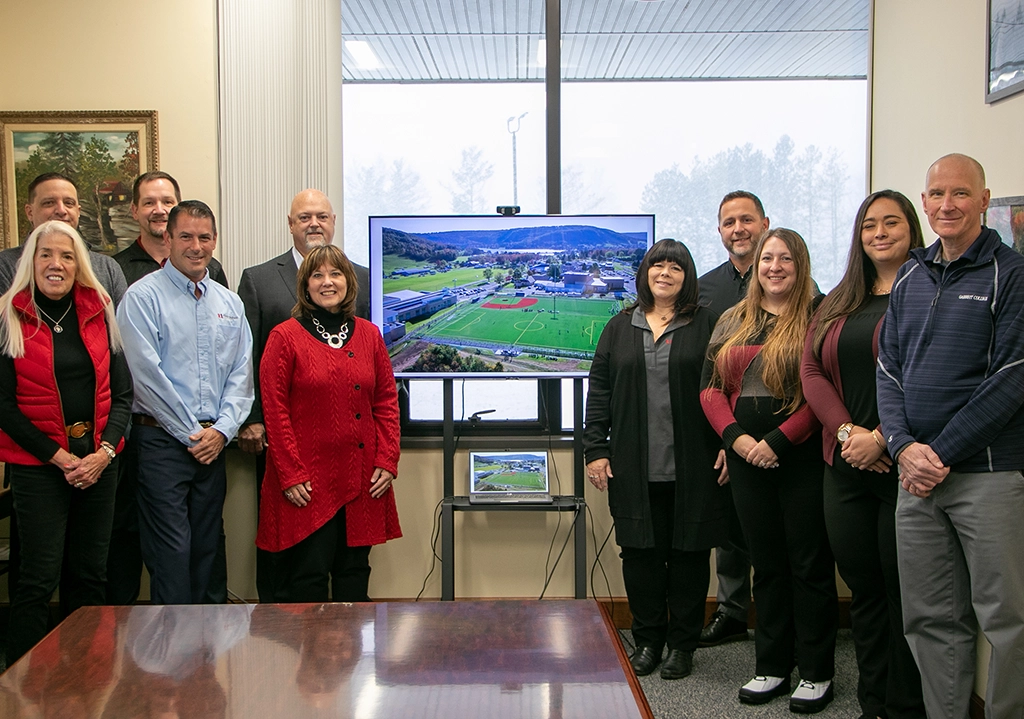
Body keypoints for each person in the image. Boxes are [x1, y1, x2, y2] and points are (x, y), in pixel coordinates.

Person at [876, 154, 1024, 718]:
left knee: (1006, 620)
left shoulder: (1011, 275)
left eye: (960, 194)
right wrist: (902, 447)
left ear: (984, 200)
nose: (946, 205)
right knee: (931, 618)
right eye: (936, 194)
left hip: (987, 475)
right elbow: (888, 367)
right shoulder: (912, 272)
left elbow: (1012, 378)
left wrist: (935, 452)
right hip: (915, 480)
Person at [801, 191, 926, 719]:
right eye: (869, 224)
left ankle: (907, 703)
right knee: (865, 587)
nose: (879, 232)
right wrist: (850, 433)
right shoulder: (837, 300)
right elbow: (812, 370)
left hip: (904, 464)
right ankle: (873, 700)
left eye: (891, 222)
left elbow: (932, 377)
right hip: (845, 462)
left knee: (904, 590)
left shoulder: (928, 290)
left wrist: (883, 438)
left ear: (911, 228)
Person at [701, 228, 836, 712]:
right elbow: (711, 389)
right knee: (768, 565)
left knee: (808, 565)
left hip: (801, 460)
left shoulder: (820, 317)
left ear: (801, 265)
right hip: (746, 462)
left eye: (785, 259)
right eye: (766, 259)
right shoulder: (734, 319)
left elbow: (823, 391)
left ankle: (817, 671)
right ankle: (772, 665)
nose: (774, 267)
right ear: (755, 266)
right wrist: (737, 440)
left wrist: (776, 442)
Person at [584, 239, 726, 681]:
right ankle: (648, 640)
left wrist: (729, 440)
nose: (665, 273)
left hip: (695, 463)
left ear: (688, 276)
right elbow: (599, 392)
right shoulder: (618, 327)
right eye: (657, 265)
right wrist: (595, 449)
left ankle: (682, 645)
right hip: (632, 464)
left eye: (675, 267)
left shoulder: (708, 324)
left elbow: (727, 385)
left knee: (689, 554)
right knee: (640, 556)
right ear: (645, 273)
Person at [0, 220, 131, 664]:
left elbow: (123, 394)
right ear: (30, 263)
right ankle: (23, 686)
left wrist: (103, 454)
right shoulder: (7, 316)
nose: (56, 264)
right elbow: (3, 407)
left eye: (67, 255)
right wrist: (59, 458)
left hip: (99, 465)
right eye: (45, 255)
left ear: (80, 265)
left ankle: (88, 680)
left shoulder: (100, 311)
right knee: (38, 579)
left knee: (90, 576)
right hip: (38, 468)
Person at [116, 200, 253, 605]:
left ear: (215, 240)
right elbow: (145, 377)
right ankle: (173, 664)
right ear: (168, 238)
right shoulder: (142, 298)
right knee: (171, 553)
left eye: (205, 237)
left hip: (213, 445)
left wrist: (223, 430)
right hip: (161, 444)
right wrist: (194, 433)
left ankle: (207, 662)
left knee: (208, 552)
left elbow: (241, 376)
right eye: (186, 236)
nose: (197, 246)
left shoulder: (230, 304)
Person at [238, 188, 370, 602]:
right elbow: (246, 357)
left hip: (350, 448)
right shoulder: (257, 279)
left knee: (349, 558)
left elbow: (375, 366)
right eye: (304, 217)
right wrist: (253, 418)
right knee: (293, 556)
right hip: (286, 444)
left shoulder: (362, 277)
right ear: (290, 224)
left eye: (322, 216)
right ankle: (285, 636)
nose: (314, 223)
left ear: (333, 222)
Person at [255, 244, 400, 603]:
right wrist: (289, 475)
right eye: (317, 275)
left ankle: (354, 662)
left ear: (349, 283)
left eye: (335, 274)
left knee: (354, 576)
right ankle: (315, 662)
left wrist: (387, 460)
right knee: (308, 579)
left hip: (362, 478)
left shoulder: (370, 336)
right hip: (307, 484)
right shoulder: (284, 337)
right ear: (305, 285)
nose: (327, 282)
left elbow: (386, 403)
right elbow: (274, 410)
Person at [696, 190, 770, 647]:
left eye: (747, 220)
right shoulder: (704, 292)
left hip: (783, 431)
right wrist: (727, 441)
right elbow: (704, 374)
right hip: (725, 432)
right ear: (719, 231)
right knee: (731, 529)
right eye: (729, 222)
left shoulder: (797, 284)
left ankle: (780, 619)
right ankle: (732, 611)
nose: (738, 229)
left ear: (765, 223)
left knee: (780, 533)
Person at [0, 173, 127, 303]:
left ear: (78, 212)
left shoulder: (107, 268)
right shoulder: (5, 266)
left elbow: (121, 322)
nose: (61, 210)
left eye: (68, 203)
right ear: (30, 212)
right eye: (49, 203)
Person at [112, 172, 229, 287]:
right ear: (135, 211)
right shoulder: (115, 270)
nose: (159, 210)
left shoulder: (210, 268)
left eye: (167, 202)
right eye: (149, 203)